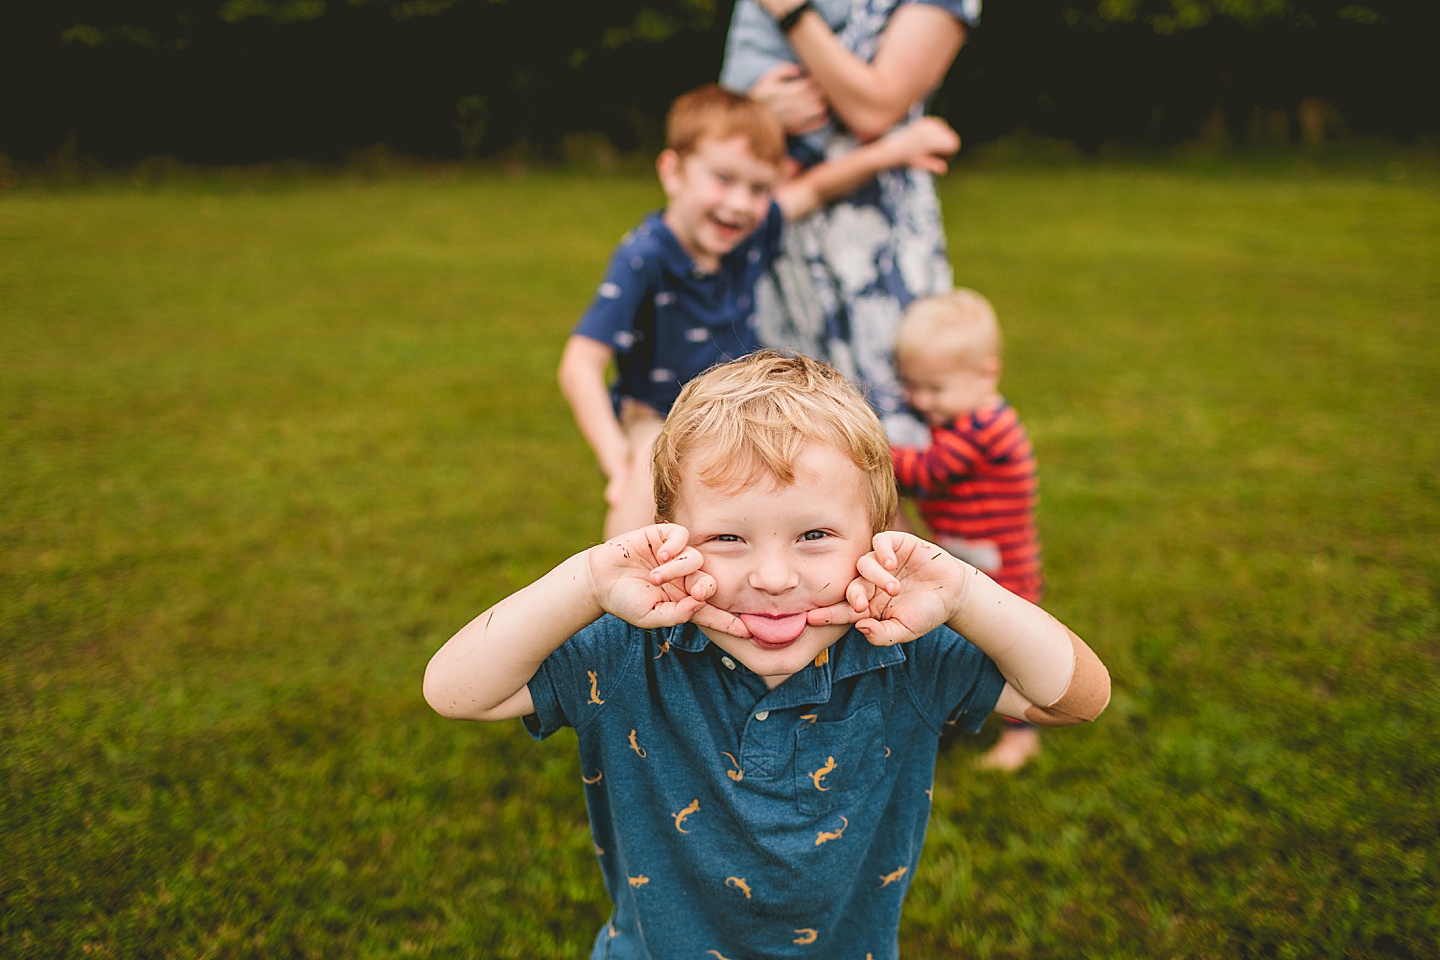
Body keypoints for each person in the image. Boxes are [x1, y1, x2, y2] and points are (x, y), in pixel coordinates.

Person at [425, 351, 1109, 959]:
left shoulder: (906, 653)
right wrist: (588, 582)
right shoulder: (627, 651)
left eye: (814, 534)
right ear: (668, 538)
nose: (774, 578)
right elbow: (455, 691)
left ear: (877, 538)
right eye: (727, 538)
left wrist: (962, 592)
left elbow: (1076, 699)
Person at [557, 83, 960, 537]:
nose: (739, 204)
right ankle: (627, 597)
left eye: (759, 188)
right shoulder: (646, 256)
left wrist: (892, 151)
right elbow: (580, 365)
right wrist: (618, 461)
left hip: (739, 404)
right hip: (656, 413)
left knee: (836, 460)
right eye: (723, 179)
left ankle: (885, 568)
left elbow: (815, 189)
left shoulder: (748, 234)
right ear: (672, 172)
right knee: (642, 487)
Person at [720, 0, 981, 447]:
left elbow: (872, 110)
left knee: (886, 438)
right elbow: (729, 106)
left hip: (875, 243)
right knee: (784, 430)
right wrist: (755, 106)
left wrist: (793, 13)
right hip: (782, 224)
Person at [890, 289, 1045, 770]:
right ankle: (956, 714)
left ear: (986, 375)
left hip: (1004, 567)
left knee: (1011, 648)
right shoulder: (960, 415)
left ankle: (1024, 735)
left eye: (934, 389)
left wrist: (874, 452)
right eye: (911, 386)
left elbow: (927, 473)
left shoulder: (984, 428)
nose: (919, 401)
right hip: (969, 554)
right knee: (961, 642)